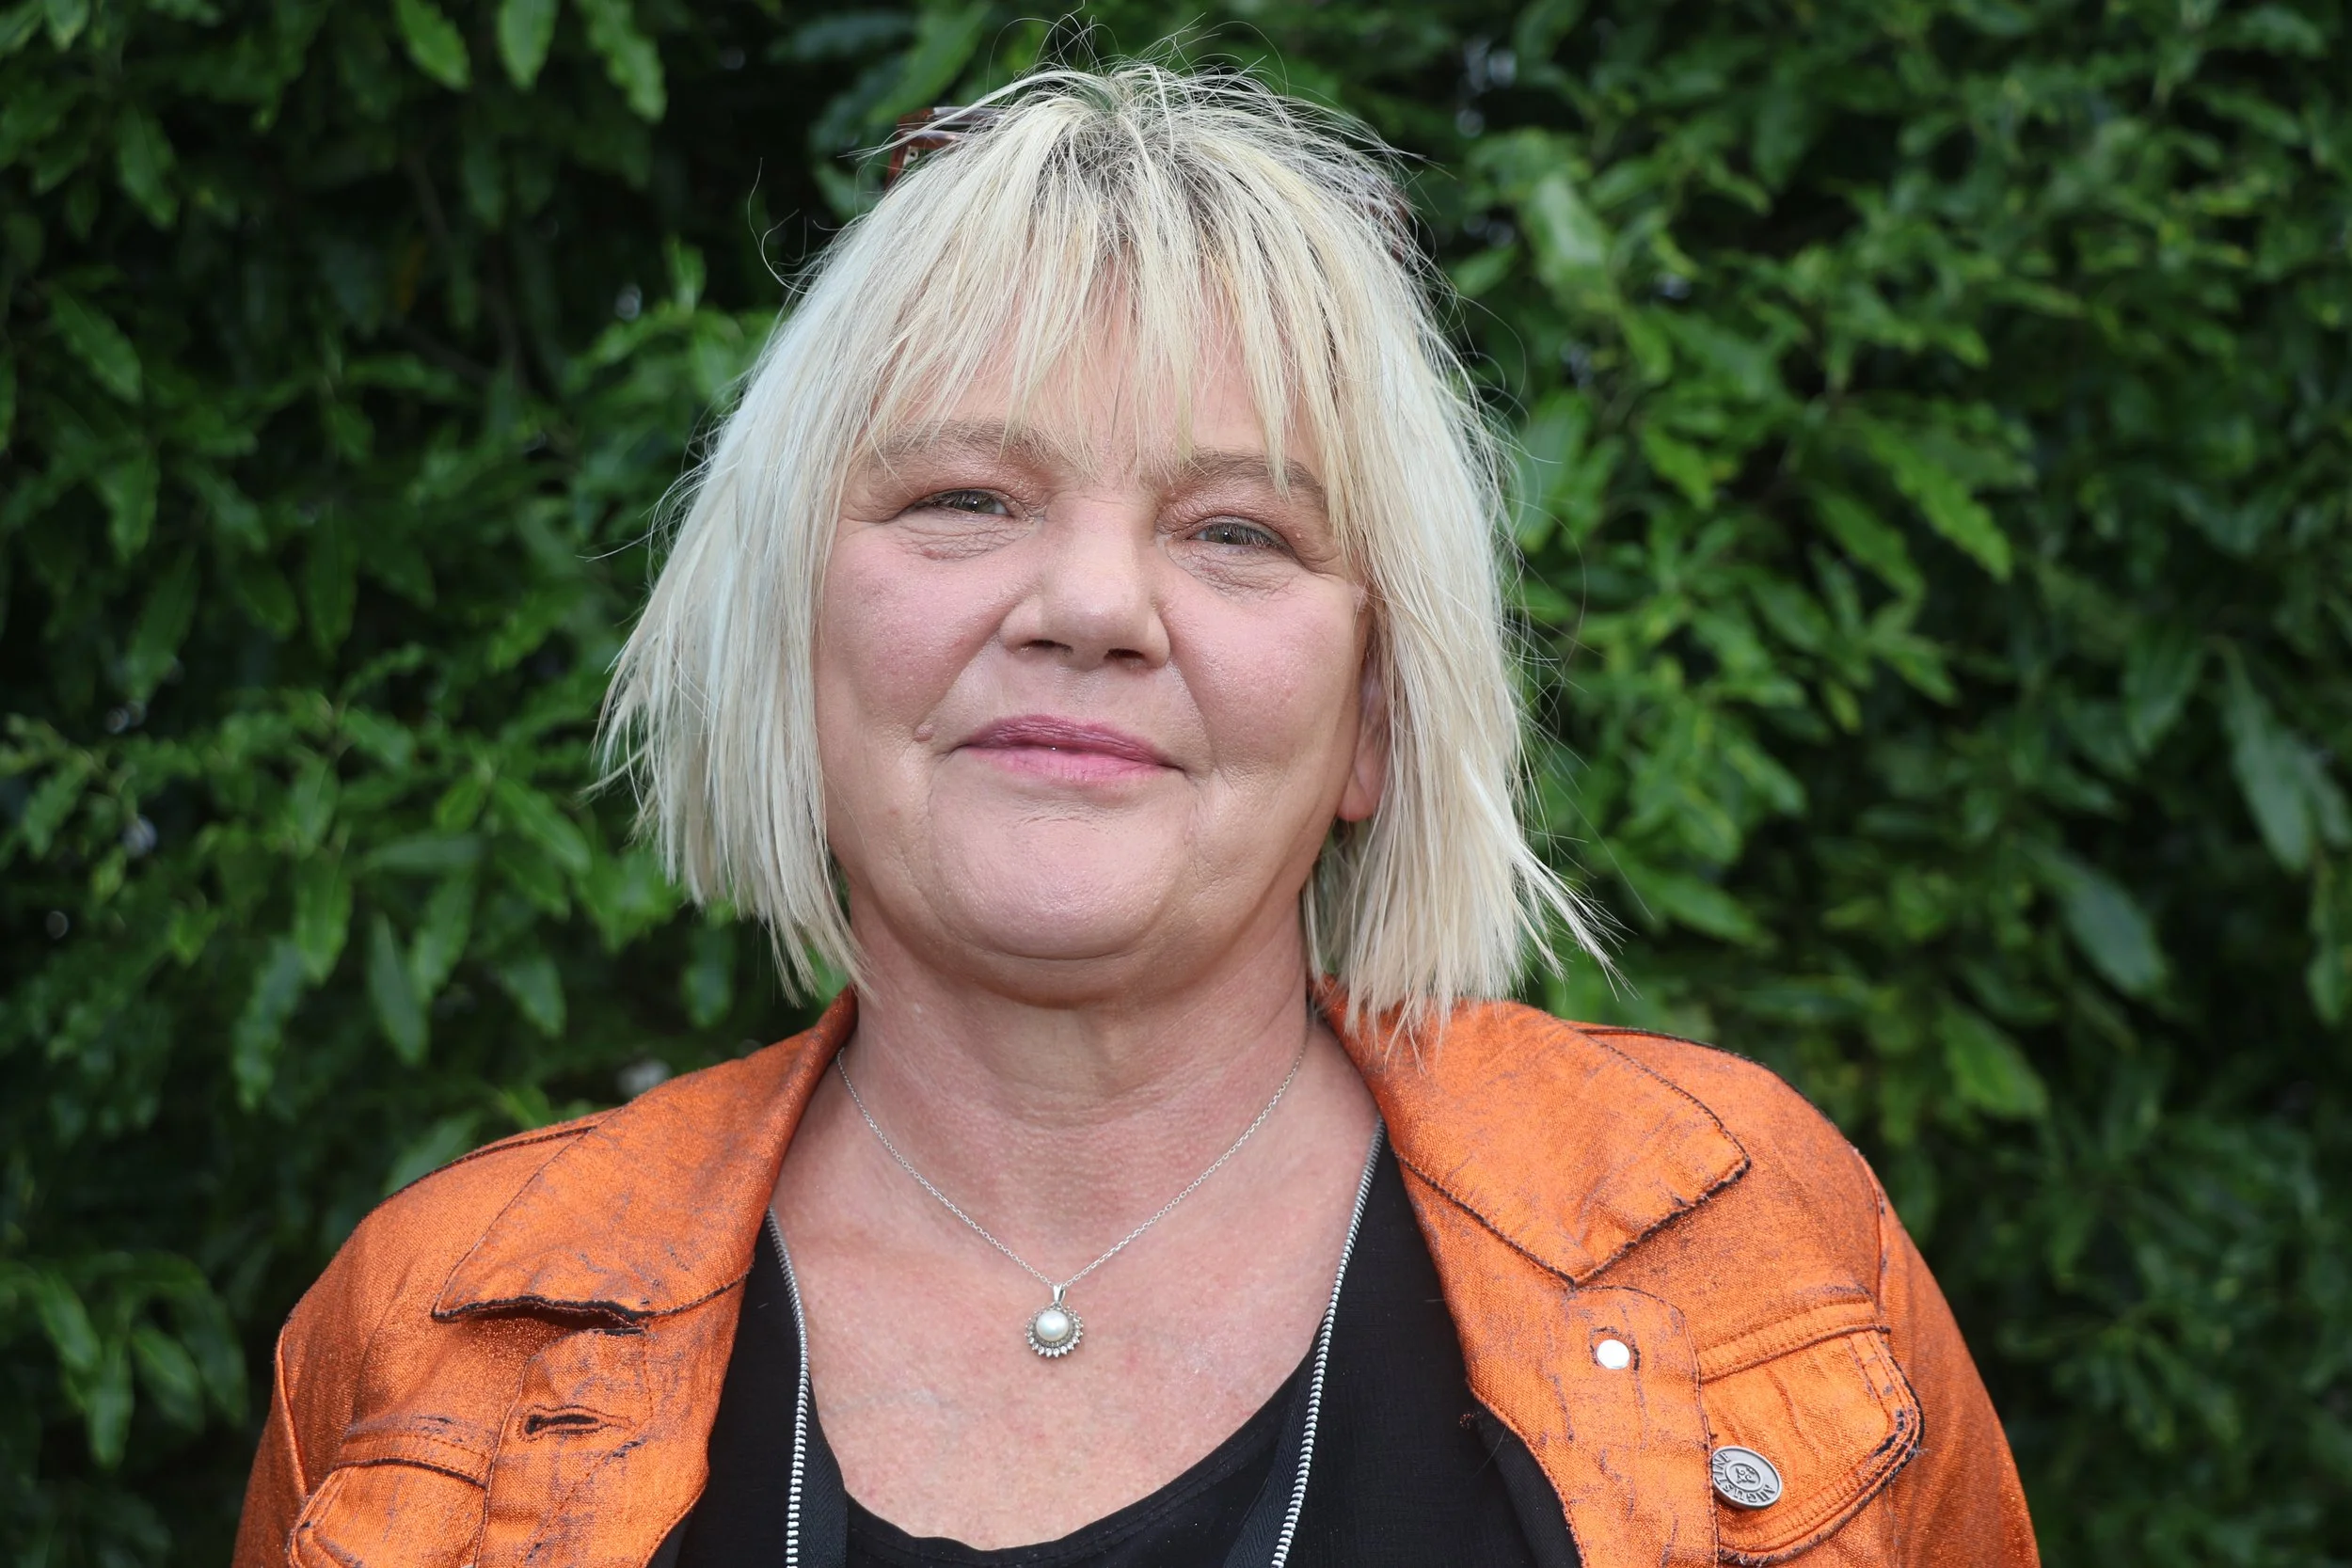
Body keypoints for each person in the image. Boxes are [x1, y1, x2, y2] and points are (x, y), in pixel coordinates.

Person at [232, 64, 2039, 1568]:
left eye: (1237, 530)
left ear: (1374, 721)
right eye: (964, 496)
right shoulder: (436, 1339)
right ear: (783, 644)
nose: (1091, 605)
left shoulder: (1756, 1257)